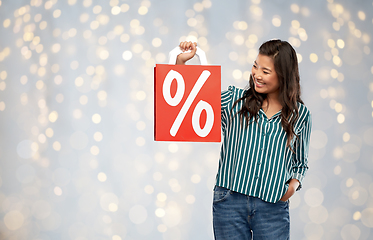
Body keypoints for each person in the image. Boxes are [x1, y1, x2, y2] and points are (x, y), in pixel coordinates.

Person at [176, 39, 312, 239]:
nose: (257, 75)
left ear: (284, 75)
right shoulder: (234, 100)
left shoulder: (300, 115)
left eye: (266, 71)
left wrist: (290, 189)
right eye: (255, 66)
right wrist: (181, 63)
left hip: (273, 207)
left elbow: (300, 164)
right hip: (229, 203)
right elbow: (191, 103)